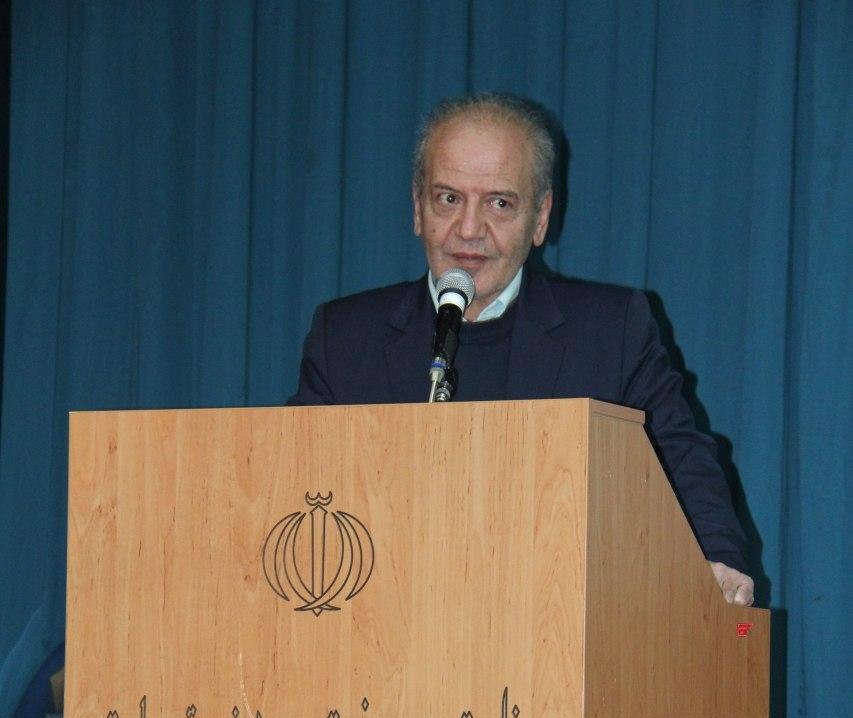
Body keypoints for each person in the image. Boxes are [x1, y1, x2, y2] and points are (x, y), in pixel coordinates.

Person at [290, 93, 754, 604]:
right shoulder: (345, 337)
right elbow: (292, 486)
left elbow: (678, 458)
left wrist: (714, 562)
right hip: (382, 622)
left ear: (540, 218)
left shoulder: (610, 332)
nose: (469, 230)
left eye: (500, 203)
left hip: (553, 618)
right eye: (448, 199)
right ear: (417, 208)